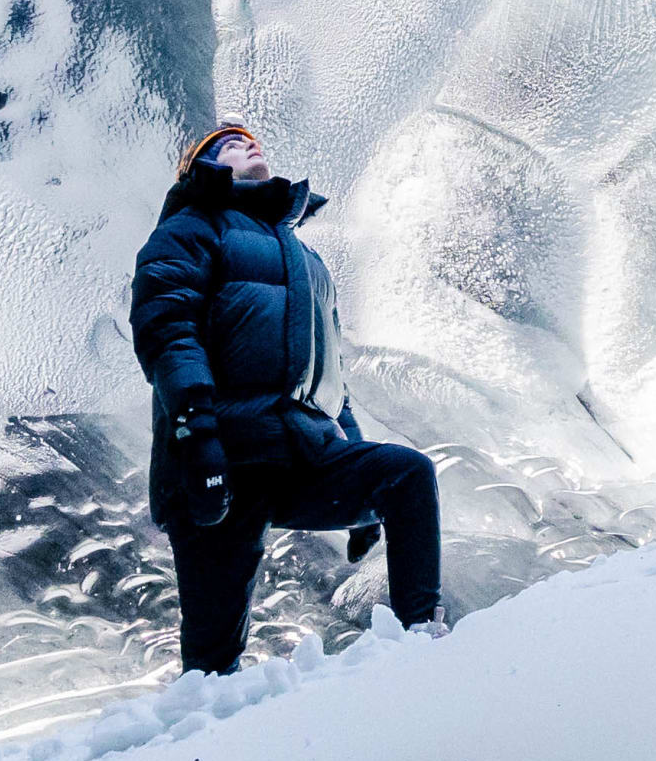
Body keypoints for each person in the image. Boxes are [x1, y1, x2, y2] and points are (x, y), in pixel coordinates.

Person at [130, 120, 444, 673]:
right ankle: (198, 743)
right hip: (220, 460)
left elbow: (330, 377)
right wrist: (196, 434)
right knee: (211, 657)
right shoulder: (189, 229)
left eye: (253, 138)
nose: (248, 141)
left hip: (304, 454)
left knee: (406, 475)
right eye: (227, 143)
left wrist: (354, 466)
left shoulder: (308, 261)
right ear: (199, 172)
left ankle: (425, 646)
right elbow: (167, 330)